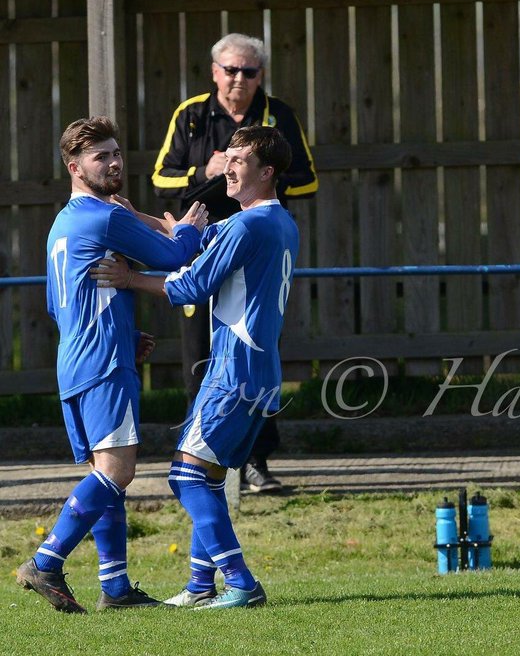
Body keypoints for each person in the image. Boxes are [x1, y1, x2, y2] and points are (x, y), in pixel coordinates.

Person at [94, 126, 299, 608]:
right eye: (228, 156)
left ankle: (242, 584)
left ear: (266, 172)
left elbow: (188, 287)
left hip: (234, 370)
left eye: (240, 161)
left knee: (186, 478)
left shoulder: (246, 226)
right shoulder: (277, 222)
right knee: (205, 477)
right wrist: (143, 219)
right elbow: (205, 239)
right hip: (259, 370)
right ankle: (201, 585)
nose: (228, 166)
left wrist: (130, 278)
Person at [16, 117, 207, 613]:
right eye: (102, 156)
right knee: (117, 473)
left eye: (117, 153)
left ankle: (116, 588)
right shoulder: (103, 216)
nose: (115, 162)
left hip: (76, 359)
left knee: (106, 471)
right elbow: (176, 255)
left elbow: (61, 302)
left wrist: (125, 332)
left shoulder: (63, 222)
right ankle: (47, 559)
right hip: (102, 362)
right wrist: (185, 227)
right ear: (74, 166)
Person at [151, 32, 317, 493]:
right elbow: (161, 176)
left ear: (261, 75)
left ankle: (253, 463)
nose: (239, 79)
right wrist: (204, 169)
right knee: (201, 361)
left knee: (249, 350)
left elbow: (305, 179)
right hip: (203, 241)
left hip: (252, 242)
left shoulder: (278, 116)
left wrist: (128, 279)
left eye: (249, 71)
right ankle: (207, 455)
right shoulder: (190, 115)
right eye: (231, 70)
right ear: (214, 72)